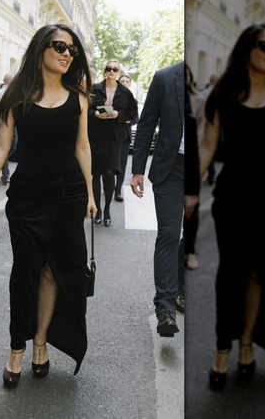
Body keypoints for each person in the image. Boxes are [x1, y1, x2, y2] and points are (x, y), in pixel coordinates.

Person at [0, 23, 96, 388]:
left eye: (73, 50)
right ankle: (16, 347)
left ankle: (40, 343)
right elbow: (2, 146)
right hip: (28, 194)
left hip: (69, 194)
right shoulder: (16, 96)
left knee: (53, 272)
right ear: (40, 50)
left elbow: (82, 147)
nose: (68, 54)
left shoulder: (78, 96)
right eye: (60, 47)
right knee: (26, 271)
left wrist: (92, 194)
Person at [198, 24, 265, 390]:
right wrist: (190, 188)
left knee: (261, 274)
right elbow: (208, 147)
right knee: (232, 275)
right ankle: (222, 348)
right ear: (247, 51)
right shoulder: (223, 98)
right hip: (234, 196)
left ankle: (246, 343)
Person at [130, 61, 185, 335]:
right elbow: (147, 123)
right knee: (169, 234)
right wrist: (137, 169)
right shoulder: (165, 78)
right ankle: (165, 308)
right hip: (171, 169)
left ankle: (181, 289)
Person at [89, 60, 137, 226]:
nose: (111, 71)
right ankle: (97, 209)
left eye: (114, 69)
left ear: (118, 72)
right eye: (109, 68)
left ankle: (107, 208)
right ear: (105, 71)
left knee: (109, 172)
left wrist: (119, 114)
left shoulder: (125, 92)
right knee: (95, 173)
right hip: (96, 136)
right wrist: (95, 114)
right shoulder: (94, 89)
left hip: (114, 137)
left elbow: (133, 113)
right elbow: (84, 110)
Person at [183, 64, 206, 271]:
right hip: (174, 160)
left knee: (191, 209)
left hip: (192, 160)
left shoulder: (198, 101)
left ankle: (190, 251)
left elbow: (202, 132)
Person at [114, 74, 139, 202]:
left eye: (127, 81)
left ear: (130, 84)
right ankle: (109, 186)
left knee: (122, 165)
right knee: (108, 165)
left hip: (124, 137)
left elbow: (136, 118)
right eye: (122, 81)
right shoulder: (112, 96)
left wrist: (129, 120)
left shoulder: (132, 100)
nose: (124, 83)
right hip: (111, 136)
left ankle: (118, 191)